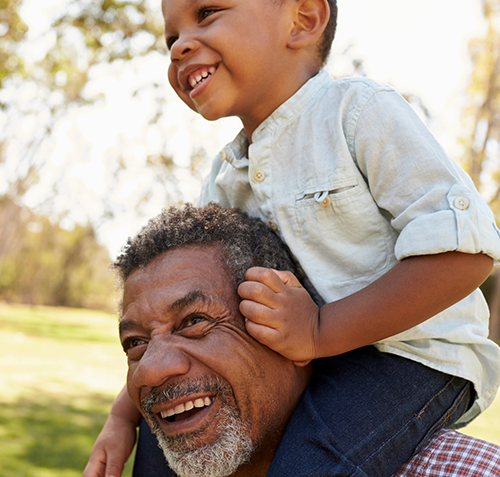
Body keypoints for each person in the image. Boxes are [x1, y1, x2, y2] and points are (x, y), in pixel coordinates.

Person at [85, 0, 500, 475]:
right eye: (170, 37)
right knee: (165, 451)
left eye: (207, 13)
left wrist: (320, 331)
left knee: (310, 461)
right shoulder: (224, 176)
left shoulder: (359, 113)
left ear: (303, 21)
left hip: (411, 359)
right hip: (310, 363)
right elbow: (174, 316)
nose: (180, 46)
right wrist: (122, 416)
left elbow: (465, 255)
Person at [86, 204, 486, 477]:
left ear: (291, 335)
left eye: (194, 321)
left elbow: (473, 246)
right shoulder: (231, 174)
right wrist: (121, 417)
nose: (152, 370)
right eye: (135, 344)